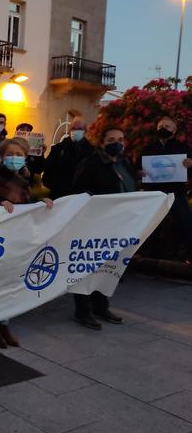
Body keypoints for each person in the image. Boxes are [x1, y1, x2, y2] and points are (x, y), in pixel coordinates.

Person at [0, 137, 54, 348]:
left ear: (25, 157)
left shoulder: (29, 178)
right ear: (2, 155)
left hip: (19, 237)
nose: (13, 158)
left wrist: (44, 201)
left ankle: (5, 322)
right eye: (10, 154)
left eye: (18, 155)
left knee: (12, 282)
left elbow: (37, 197)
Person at [72, 126, 134, 330]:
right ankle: (82, 310)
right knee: (88, 266)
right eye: (111, 139)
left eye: (120, 139)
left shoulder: (126, 163)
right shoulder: (91, 163)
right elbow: (78, 190)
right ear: (102, 142)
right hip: (95, 224)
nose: (116, 143)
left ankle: (101, 305)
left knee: (109, 267)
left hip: (120, 224)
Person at [139, 116, 192, 261]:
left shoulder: (183, 148)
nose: (163, 129)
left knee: (185, 221)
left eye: (167, 127)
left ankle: (187, 255)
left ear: (174, 131)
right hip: (154, 192)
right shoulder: (148, 148)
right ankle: (150, 255)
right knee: (152, 224)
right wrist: (140, 173)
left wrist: (190, 164)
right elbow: (137, 168)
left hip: (176, 192)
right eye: (161, 126)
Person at [43, 117, 94, 199]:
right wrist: (56, 186)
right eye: (74, 128)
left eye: (80, 129)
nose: (76, 131)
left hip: (82, 197)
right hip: (59, 196)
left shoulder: (92, 151)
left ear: (85, 131)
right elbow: (47, 171)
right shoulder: (58, 149)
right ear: (69, 131)